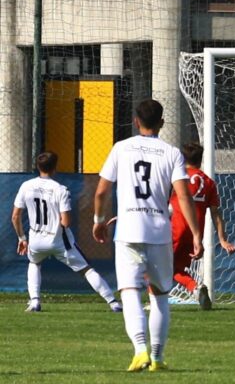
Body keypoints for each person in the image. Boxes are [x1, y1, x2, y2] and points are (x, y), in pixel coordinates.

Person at [93, 99, 202, 372]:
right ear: (162, 123)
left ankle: (140, 351)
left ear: (135, 121)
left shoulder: (121, 148)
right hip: (158, 232)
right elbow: (183, 195)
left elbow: (101, 191)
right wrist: (197, 234)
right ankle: (158, 358)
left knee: (130, 292)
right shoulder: (172, 153)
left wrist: (98, 220)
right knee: (160, 295)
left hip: (128, 230)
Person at [12, 151, 122, 313]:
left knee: (34, 264)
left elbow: (15, 216)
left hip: (35, 239)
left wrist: (22, 238)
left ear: (38, 167)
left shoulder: (26, 186)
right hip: (58, 240)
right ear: (55, 168)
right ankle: (113, 303)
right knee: (86, 269)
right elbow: (66, 221)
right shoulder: (60, 189)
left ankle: (35, 301)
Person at [170, 142, 235, 311]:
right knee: (174, 268)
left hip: (174, 229)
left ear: (181, 158)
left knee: (154, 265)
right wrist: (223, 240)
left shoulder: (176, 177)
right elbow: (216, 214)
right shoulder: (208, 182)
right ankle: (195, 288)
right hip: (194, 234)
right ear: (201, 160)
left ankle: (155, 300)